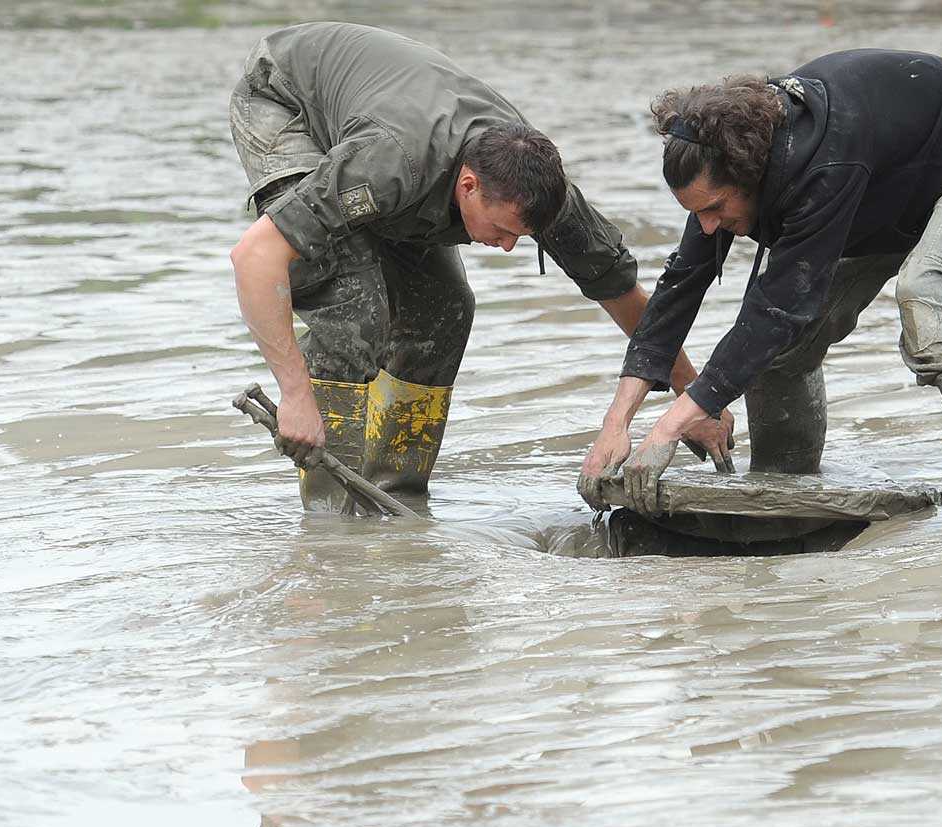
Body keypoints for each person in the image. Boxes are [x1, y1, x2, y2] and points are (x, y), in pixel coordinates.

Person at [228, 22, 732, 507]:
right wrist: (295, 396)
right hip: (285, 97)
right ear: (468, 185)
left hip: (390, 130)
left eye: (523, 235)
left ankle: (394, 495)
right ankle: (332, 518)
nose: (510, 247)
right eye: (504, 231)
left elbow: (619, 291)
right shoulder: (391, 162)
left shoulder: (542, 195)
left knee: (446, 309)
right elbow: (255, 257)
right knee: (352, 307)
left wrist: (693, 396)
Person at [577, 49, 942, 518]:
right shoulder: (722, 166)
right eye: (695, 213)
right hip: (892, 193)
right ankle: (782, 492)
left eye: (714, 209)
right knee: (777, 354)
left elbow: (778, 310)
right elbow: (680, 287)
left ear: (752, 176)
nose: (707, 225)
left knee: (926, 292)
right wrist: (616, 423)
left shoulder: (823, 164)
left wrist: (667, 428)